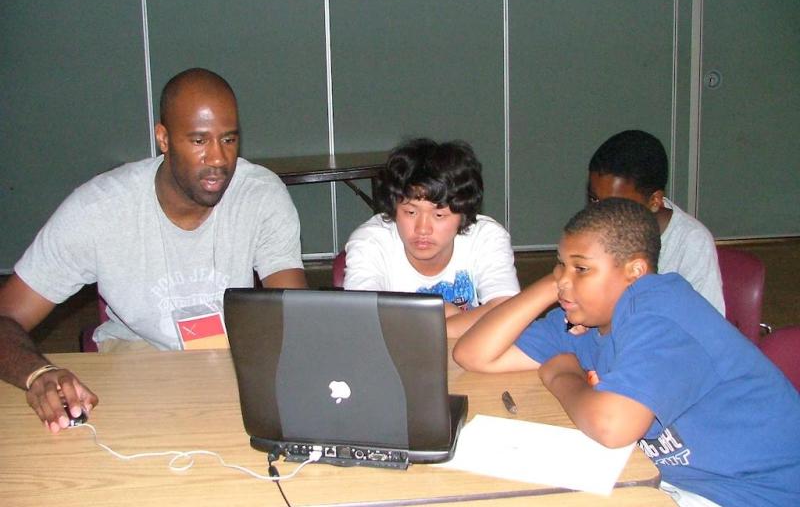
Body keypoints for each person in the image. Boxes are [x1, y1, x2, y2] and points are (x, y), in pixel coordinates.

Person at [0, 67, 307, 433]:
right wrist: (39, 373)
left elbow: (295, 315)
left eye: (228, 139)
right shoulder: (99, 210)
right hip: (136, 368)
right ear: (163, 139)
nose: (218, 160)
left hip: (233, 367)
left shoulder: (261, 195)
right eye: (198, 141)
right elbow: (7, 317)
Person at [453, 198, 800, 506]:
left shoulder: (663, 312)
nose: (564, 280)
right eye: (560, 265)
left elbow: (612, 426)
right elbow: (473, 354)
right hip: (679, 483)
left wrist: (562, 374)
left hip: (754, 493)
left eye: (582, 268)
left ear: (635, 271)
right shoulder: (583, 321)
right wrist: (552, 284)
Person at [343, 138, 519, 338]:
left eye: (439, 215)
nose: (422, 229)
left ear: (464, 214)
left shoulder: (487, 237)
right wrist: (451, 315)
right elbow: (363, 319)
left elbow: (509, 313)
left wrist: (436, 321)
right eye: (410, 212)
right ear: (393, 209)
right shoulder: (370, 242)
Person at [588, 129, 724, 315]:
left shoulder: (691, 243)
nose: (601, 215)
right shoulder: (592, 232)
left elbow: (708, 327)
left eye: (616, 206)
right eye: (594, 200)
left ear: (654, 201)